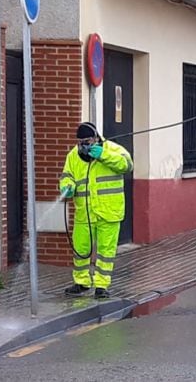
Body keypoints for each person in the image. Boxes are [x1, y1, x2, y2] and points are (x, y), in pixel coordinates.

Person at [59, 122, 133, 299]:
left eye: (87, 141)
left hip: (109, 210)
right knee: (80, 248)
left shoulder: (113, 149)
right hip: (84, 211)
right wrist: (66, 186)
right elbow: (67, 175)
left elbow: (127, 166)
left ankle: (101, 286)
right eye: (80, 142)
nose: (83, 145)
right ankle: (81, 282)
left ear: (96, 139)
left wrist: (104, 155)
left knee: (106, 251)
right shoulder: (73, 156)